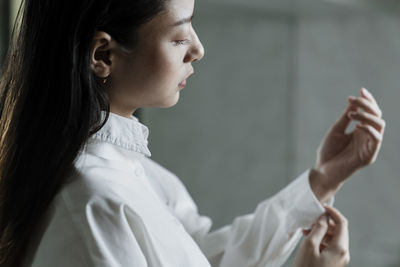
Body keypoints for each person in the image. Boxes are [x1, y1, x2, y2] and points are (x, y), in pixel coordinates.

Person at [0, 0, 385, 266]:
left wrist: (322, 180)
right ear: (103, 55)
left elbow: (207, 258)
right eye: (180, 36)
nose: (198, 49)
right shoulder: (91, 201)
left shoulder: (138, 174)